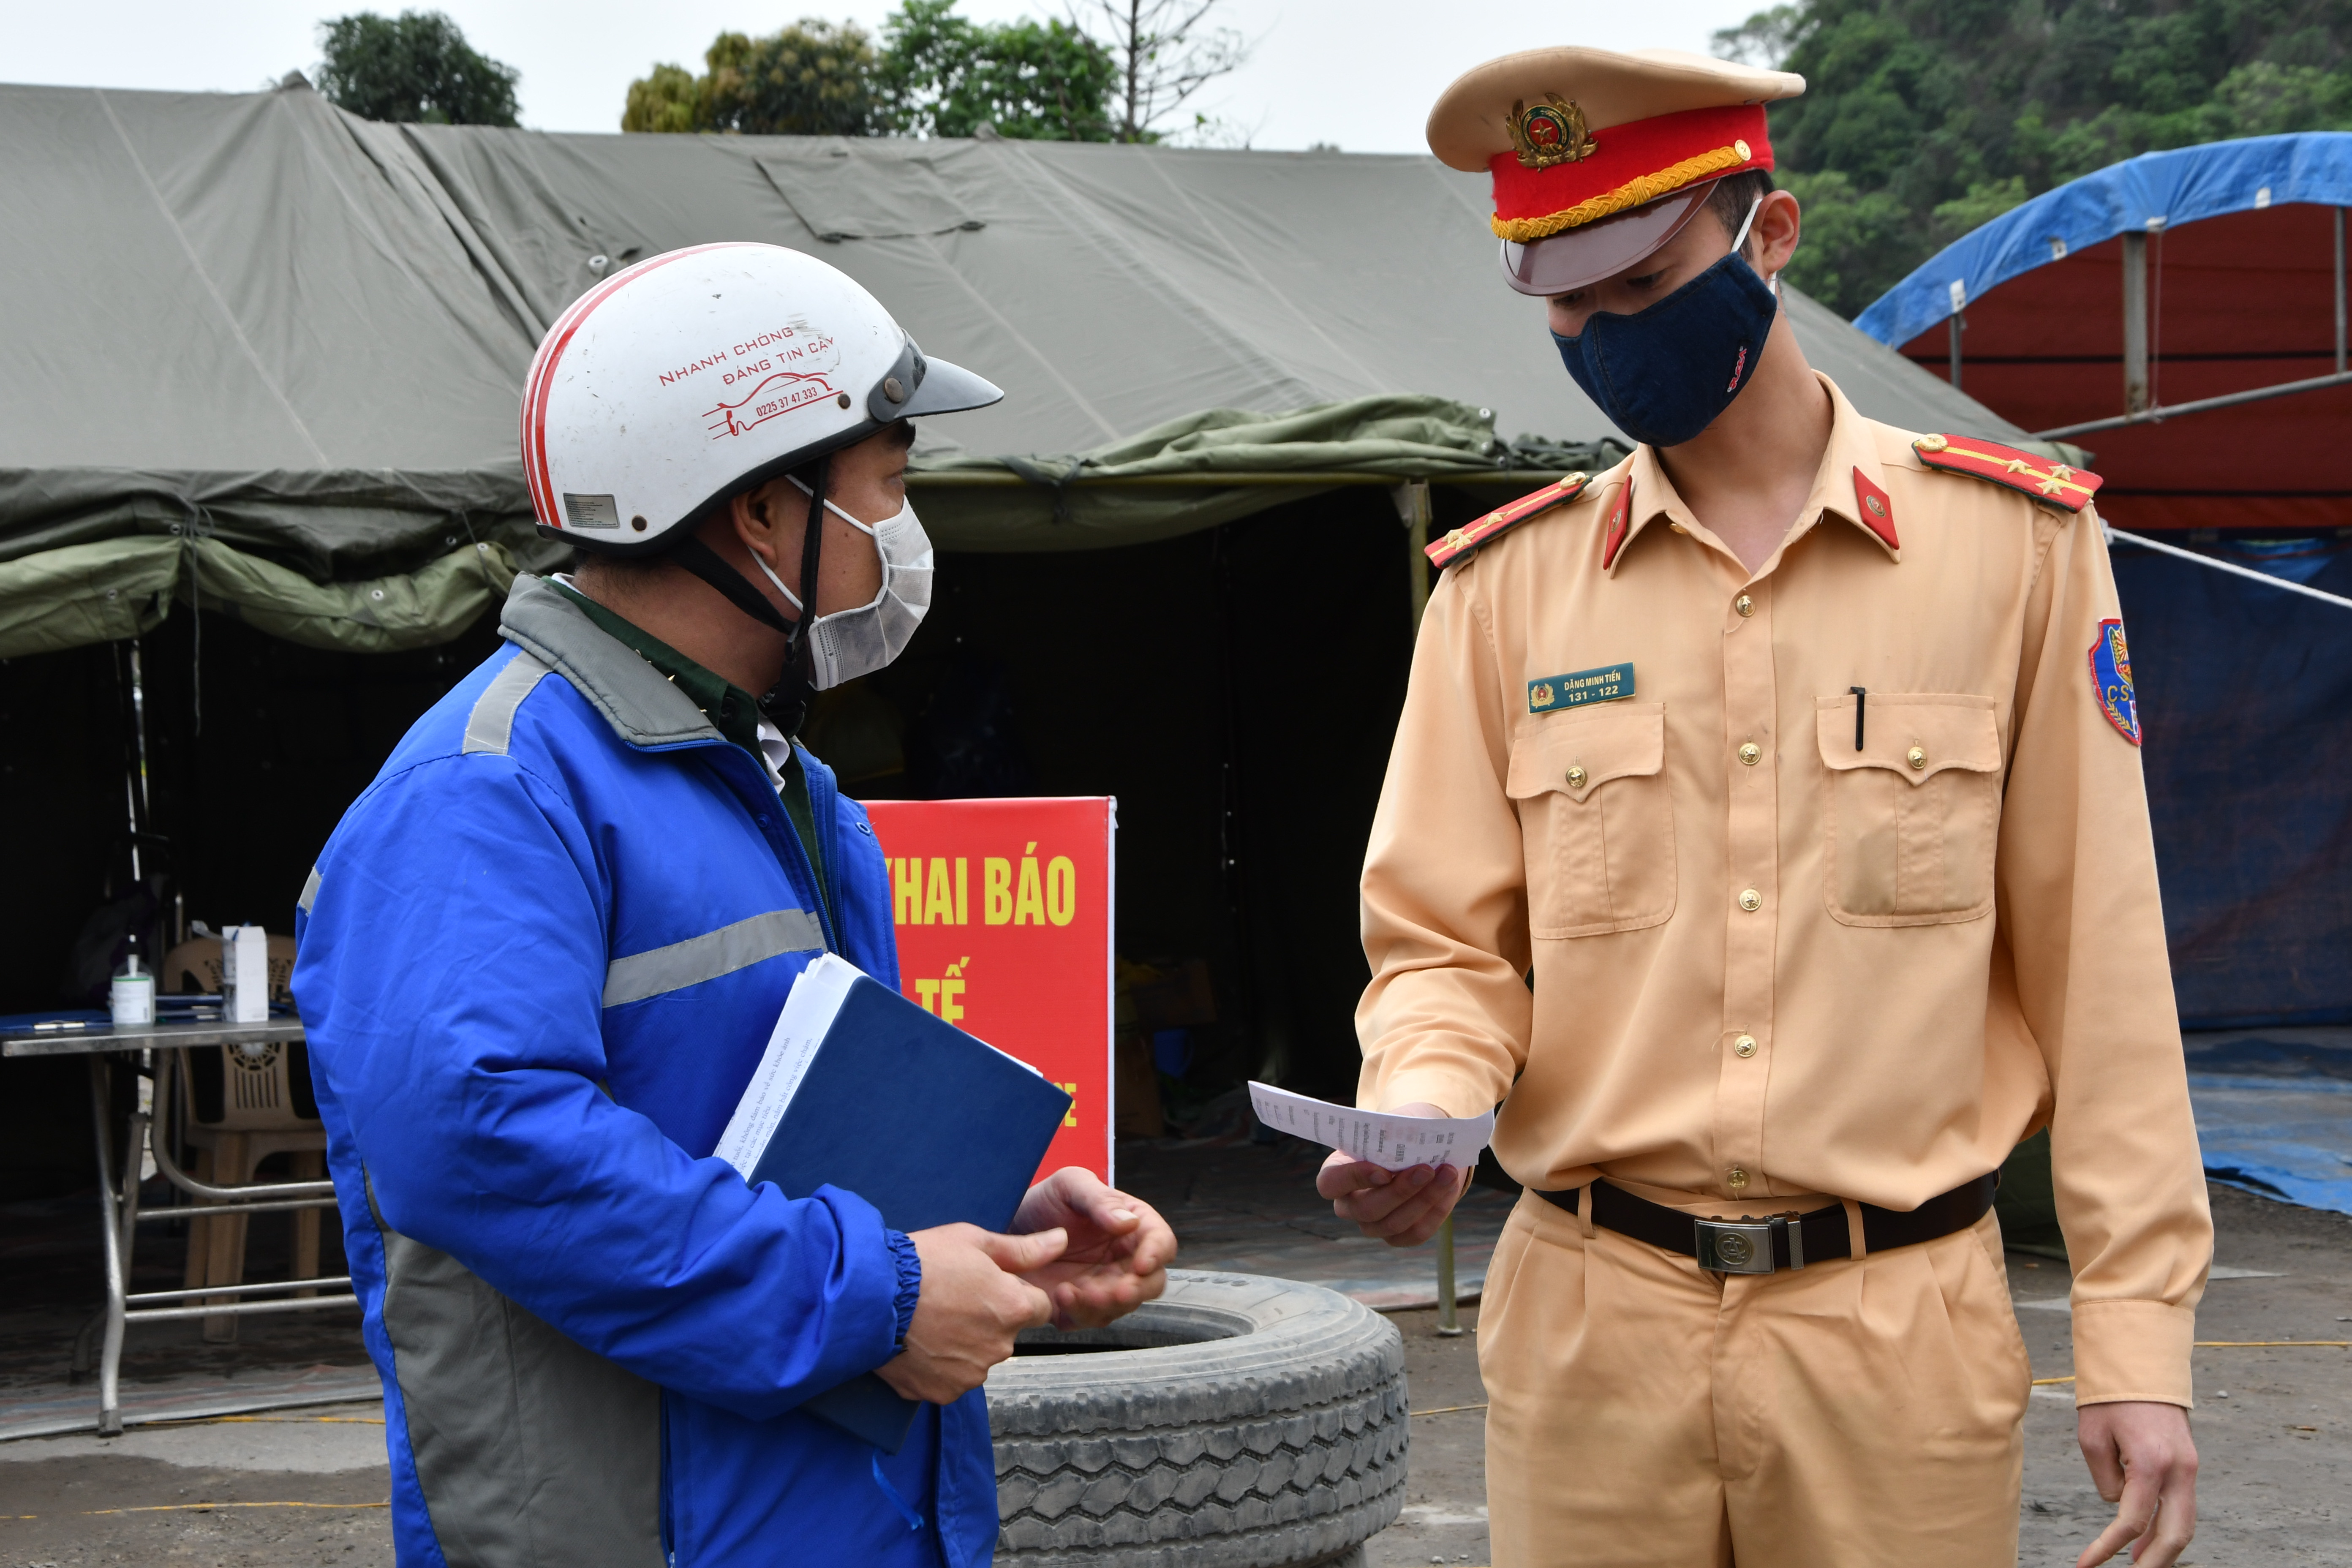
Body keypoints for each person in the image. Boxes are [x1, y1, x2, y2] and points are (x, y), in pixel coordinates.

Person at [1314, 47, 2211, 1568]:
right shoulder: (1503, 592)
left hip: (1898, 1334)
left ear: (1768, 237)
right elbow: (1444, 951)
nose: (1603, 336)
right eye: (1566, 307)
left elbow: (2101, 971)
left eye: (1643, 282)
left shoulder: (2016, 555)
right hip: (1594, 1334)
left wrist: (2137, 1344)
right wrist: (1423, 1103)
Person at [293, 244, 1176, 1568]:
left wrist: (998, 1228)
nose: (907, 534)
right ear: (764, 514)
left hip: (850, 1516)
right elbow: (480, 1138)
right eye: (891, 487)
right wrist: (877, 1297)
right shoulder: (488, 793)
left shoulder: (787, 786)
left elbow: (786, 1114)